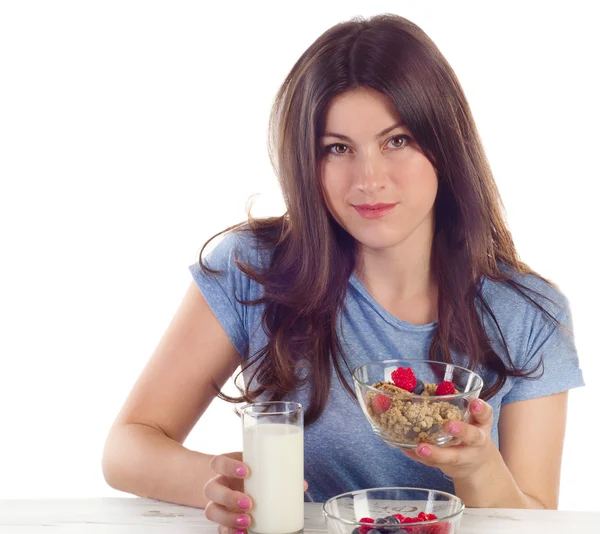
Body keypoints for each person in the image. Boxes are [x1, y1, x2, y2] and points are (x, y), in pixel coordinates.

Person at [101, 13, 584, 532]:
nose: (369, 179)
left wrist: (477, 464)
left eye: (396, 141)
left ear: (444, 146)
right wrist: (217, 481)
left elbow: (534, 519)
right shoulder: (253, 269)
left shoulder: (530, 314)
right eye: (338, 149)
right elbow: (128, 447)